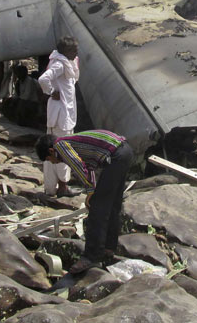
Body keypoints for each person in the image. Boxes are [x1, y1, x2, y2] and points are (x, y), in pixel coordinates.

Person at [36, 130, 133, 273]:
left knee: (97, 209)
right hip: (125, 152)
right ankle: (108, 248)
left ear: (51, 151)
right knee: (112, 205)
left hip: (115, 156)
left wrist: (90, 191)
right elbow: (89, 167)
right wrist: (91, 190)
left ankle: (91, 257)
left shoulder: (60, 146)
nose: (53, 162)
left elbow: (78, 165)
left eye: (50, 159)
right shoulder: (74, 143)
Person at [38, 37, 80, 196]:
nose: (76, 52)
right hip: (61, 115)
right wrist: (51, 92)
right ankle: (62, 186)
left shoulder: (68, 62)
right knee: (63, 150)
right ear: (66, 51)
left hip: (62, 113)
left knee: (53, 150)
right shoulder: (60, 64)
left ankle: (50, 188)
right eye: (73, 50)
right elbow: (43, 79)